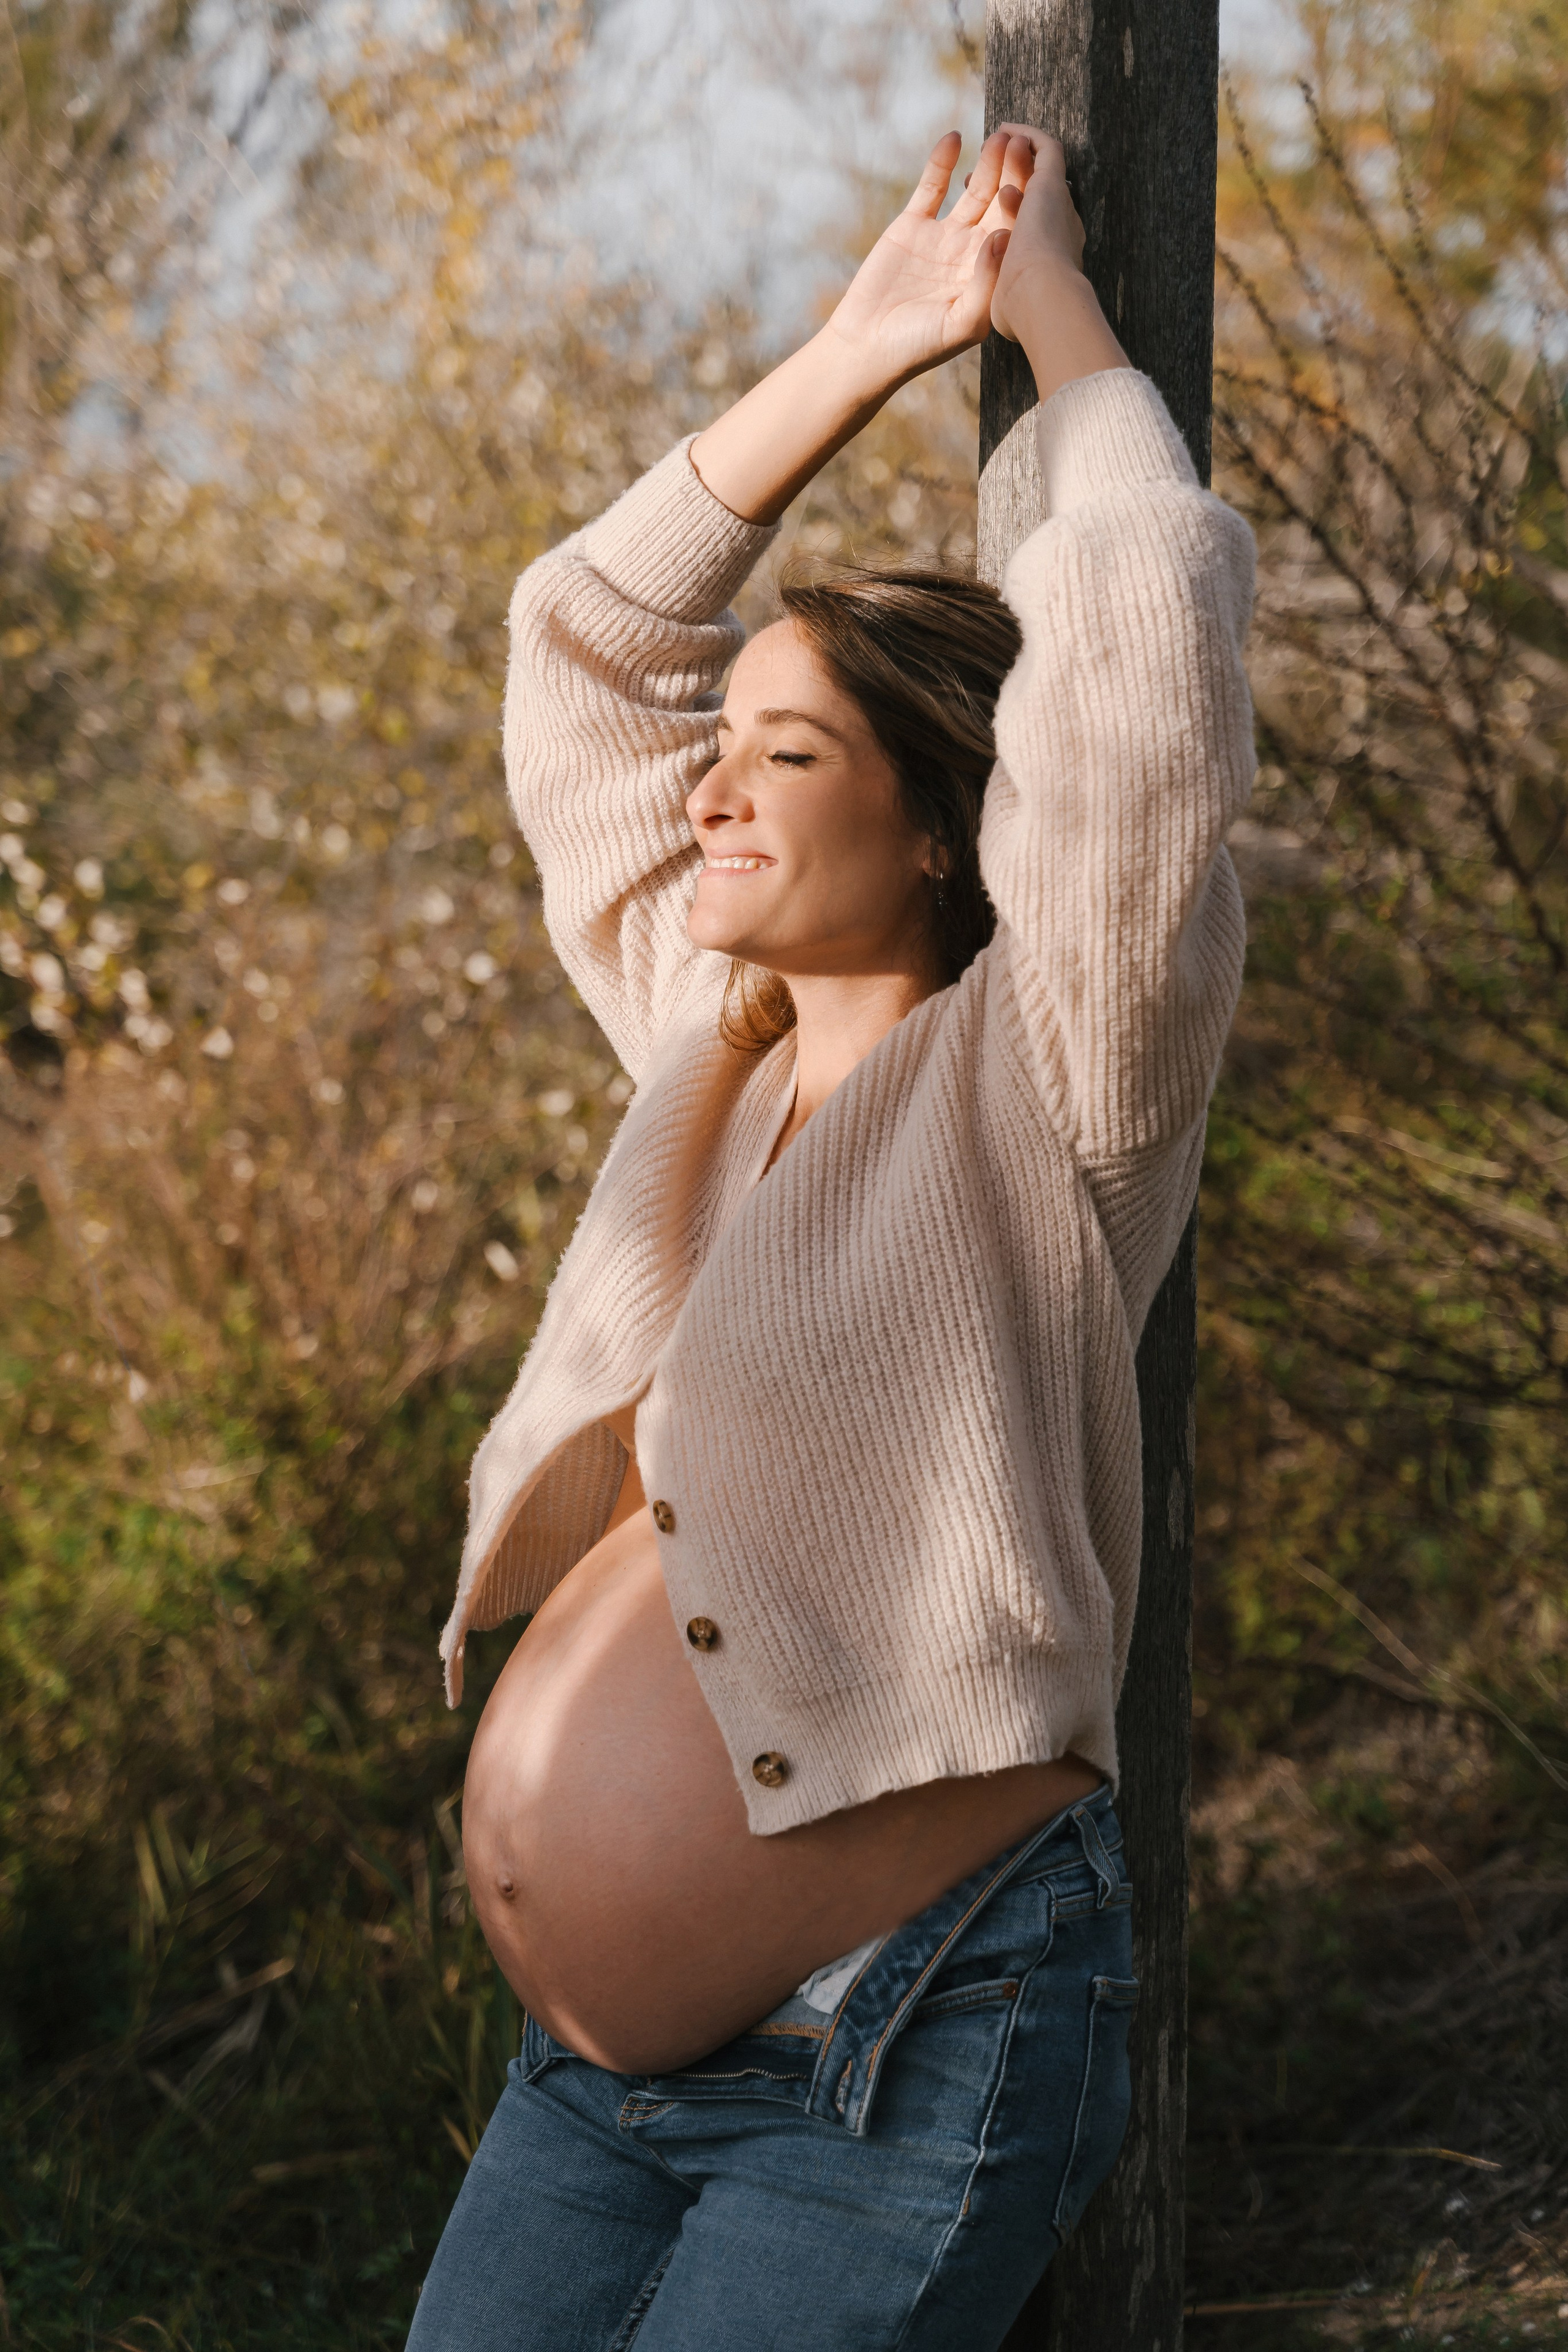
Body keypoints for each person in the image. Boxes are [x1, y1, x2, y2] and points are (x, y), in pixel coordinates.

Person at [409, 123, 1256, 2351]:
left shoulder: (1052, 1070)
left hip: (899, 2041)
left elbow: (1141, 679)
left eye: (781, 755)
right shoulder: (705, 1039)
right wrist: (873, 343)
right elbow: (587, 656)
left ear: (939, 827)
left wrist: (1056, 309)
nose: (712, 783)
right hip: (596, 2090)